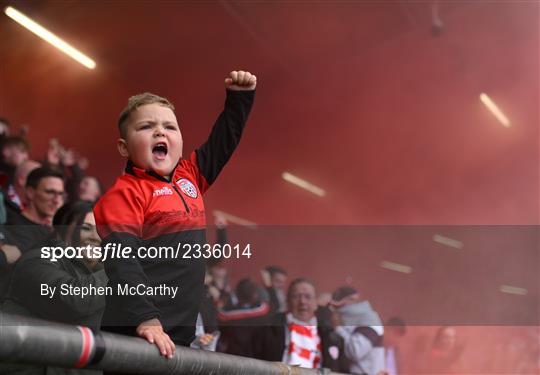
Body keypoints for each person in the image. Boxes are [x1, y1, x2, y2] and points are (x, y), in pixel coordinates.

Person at [93, 70, 256, 364]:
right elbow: (121, 261)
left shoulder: (190, 175)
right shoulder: (123, 194)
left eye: (170, 126)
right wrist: (145, 319)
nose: (160, 132)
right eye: (146, 126)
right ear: (123, 147)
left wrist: (239, 100)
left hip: (177, 335)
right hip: (136, 332)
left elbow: (223, 142)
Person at [1, 201, 106, 374]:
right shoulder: (36, 259)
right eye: (86, 228)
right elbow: (74, 298)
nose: (95, 236)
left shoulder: (100, 274)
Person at [255, 278, 346, 371]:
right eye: (296, 297)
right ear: (288, 302)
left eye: (308, 297)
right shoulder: (267, 331)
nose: (302, 302)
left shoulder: (331, 337)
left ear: (315, 303)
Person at [331, 286, 385, 375]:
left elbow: (355, 351)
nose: (336, 309)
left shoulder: (369, 319)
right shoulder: (348, 319)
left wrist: (338, 328)